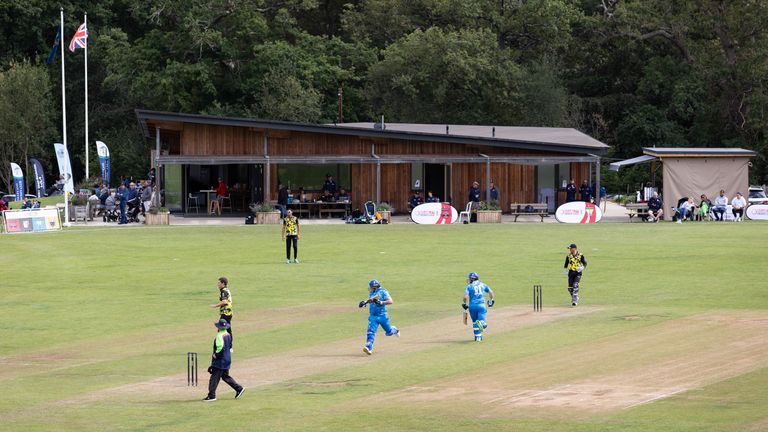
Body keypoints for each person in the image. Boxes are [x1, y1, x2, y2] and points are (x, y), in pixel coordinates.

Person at [202, 318, 245, 402]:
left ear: (218, 327)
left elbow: (220, 348)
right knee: (225, 376)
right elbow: (228, 346)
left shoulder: (219, 335)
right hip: (227, 359)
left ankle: (211, 395)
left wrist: (215, 355)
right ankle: (239, 389)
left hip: (220, 361)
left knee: (214, 378)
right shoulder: (228, 334)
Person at [358, 279, 399, 355]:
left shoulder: (383, 292)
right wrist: (365, 302)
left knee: (389, 332)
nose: (369, 288)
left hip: (382, 316)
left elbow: (390, 301)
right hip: (373, 316)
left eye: (370, 287)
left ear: (374, 287)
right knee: (371, 331)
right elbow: (372, 299)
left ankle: (394, 329)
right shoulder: (372, 292)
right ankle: (369, 347)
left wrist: (381, 302)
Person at [462, 272, 495, 342]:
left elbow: (465, 297)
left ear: (471, 279)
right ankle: (483, 324)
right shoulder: (483, 284)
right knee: (481, 321)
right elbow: (490, 292)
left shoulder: (469, 286)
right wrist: (491, 300)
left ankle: (478, 337)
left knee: (474, 322)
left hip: (472, 306)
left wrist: (464, 303)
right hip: (481, 306)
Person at [209, 276, 234, 347]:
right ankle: (228, 346)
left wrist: (215, 306)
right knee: (226, 329)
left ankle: (228, 346)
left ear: (223, 283)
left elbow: (224, 302)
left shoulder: (224, 291)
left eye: (219, 283)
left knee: (224, 329)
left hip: (226, 313)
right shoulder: (225, 290)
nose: (218, 284)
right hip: (227, 313)